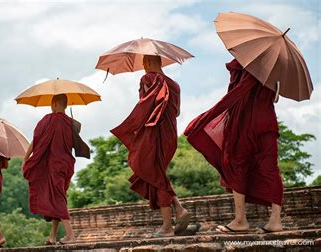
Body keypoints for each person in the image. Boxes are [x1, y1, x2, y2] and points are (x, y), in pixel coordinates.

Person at [184, 59, 283, 234]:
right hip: (267, 122)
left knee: (237, 165)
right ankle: (275, 221)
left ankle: (240, 220)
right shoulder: (274, 66)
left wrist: (207, 116)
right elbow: (275, 97)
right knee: (271, 170)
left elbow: (237, 94)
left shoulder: (249, 64)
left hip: (245, 123)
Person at [111, 55, 191, 237]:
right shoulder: (174, 85)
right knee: (157, 173)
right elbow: (176, 112)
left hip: (154, 133)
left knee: (153, 172)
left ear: (146, 63)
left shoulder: (148, 78)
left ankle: (168, 227)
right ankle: (178, 210)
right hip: (170, 135)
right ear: (161, 62)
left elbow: (145, 106)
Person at [22, 94, 76, 245]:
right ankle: (52, 236)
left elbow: (36, 140)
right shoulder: (72, 123)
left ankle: (70, 235)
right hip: (66, 165)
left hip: (53, 165)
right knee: (56, 197)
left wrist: (26, 159)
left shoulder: (48, 120)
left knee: (57, 199)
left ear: (54, 104)